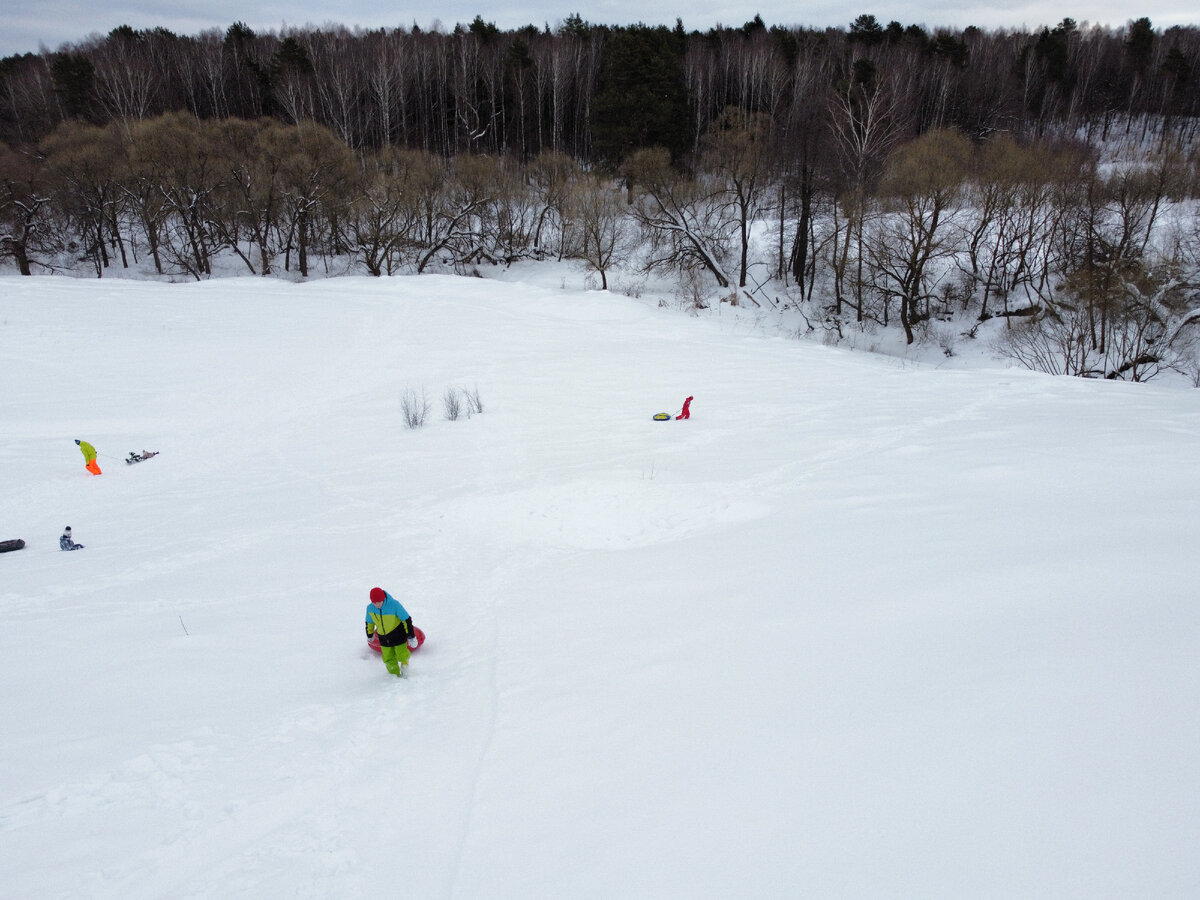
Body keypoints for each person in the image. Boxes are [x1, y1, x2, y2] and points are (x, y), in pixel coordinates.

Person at [366, 587, 418, 678]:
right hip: (383, 638)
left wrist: (411, 636)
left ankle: (405, 667)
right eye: (374, 603)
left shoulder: (394, 605)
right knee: (387, 658)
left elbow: (406, 619)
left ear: (383, 599)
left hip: (398, 634)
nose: (377, 605)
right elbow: (369, 622)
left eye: (379, 602)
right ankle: (394, 675)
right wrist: (370, 634)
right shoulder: (370, 609)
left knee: (401, 654)